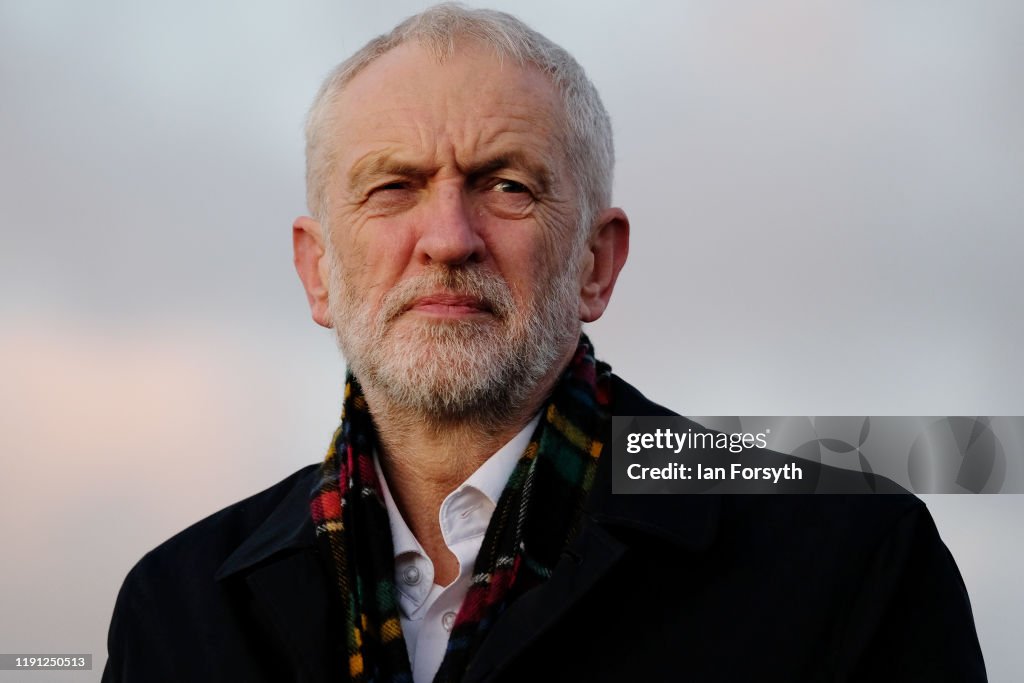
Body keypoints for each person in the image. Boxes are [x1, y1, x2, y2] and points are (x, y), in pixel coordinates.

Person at [102, 4, 987, 681]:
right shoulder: (179, 610)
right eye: (393, 189)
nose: (448, 236)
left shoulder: (848, 559)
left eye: (508, 186)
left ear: (597, 263)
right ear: (317, 271)